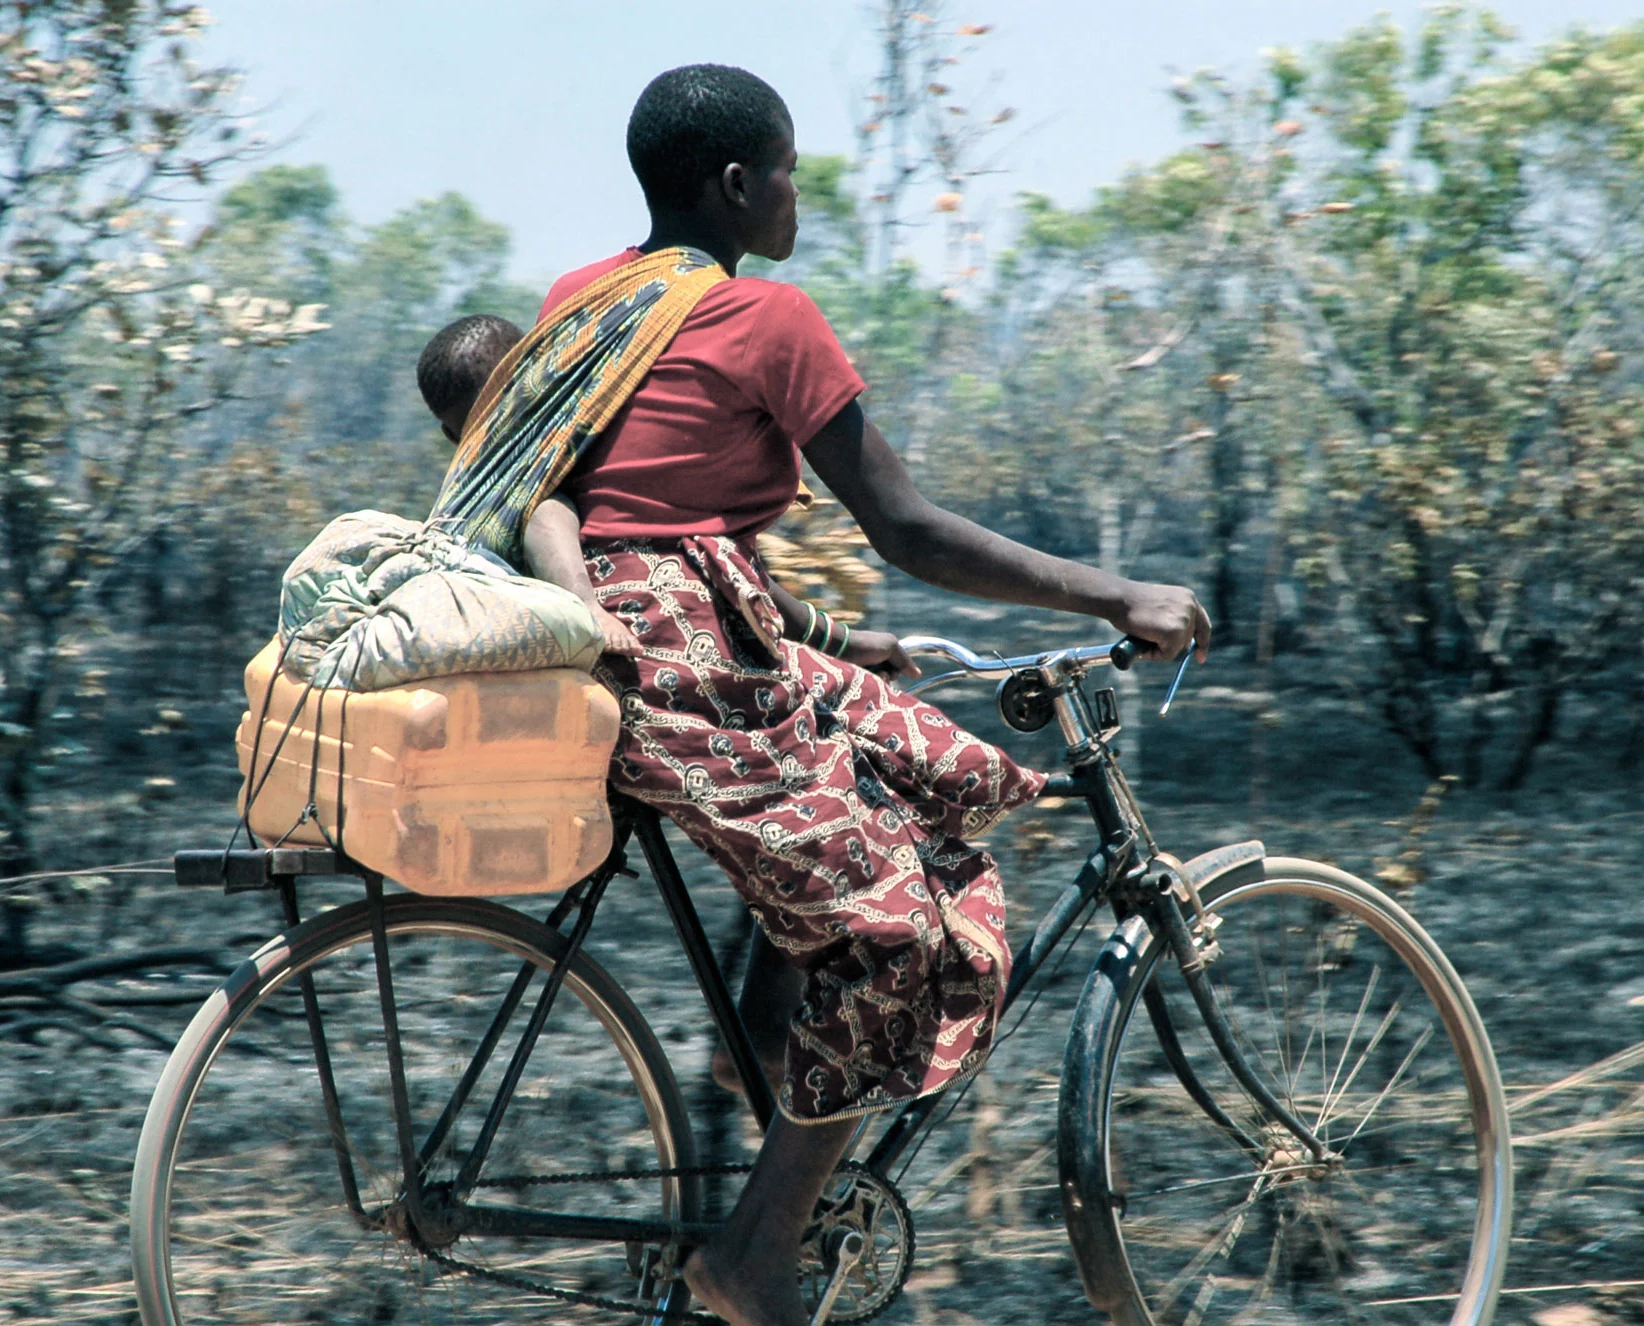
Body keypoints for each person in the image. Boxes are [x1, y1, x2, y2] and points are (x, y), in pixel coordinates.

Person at [434, 64, 1209, 1326]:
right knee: (905, 937)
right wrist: (1111, 596)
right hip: (687, 660)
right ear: (738, 185)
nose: (797, 193)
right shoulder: (769, 321)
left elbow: (617, 507)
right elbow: (904, 526)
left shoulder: (585, 298)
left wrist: (838, 641)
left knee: (943, 770)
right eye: (787, 169)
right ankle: (753, 1257)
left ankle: (780, 1022)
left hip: (656, 635)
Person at [417, 310, 870, 1094]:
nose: (491, 437)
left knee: (809, 790)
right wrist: (583, 601)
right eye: (473, 429)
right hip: (627, 687)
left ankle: (763, 1037)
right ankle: (764, 1042)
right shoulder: (539, 464)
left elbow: (721, 572)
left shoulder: (489, 473)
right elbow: (551, 511)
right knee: (831, 792)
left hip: (609, 681)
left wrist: (838, 637)